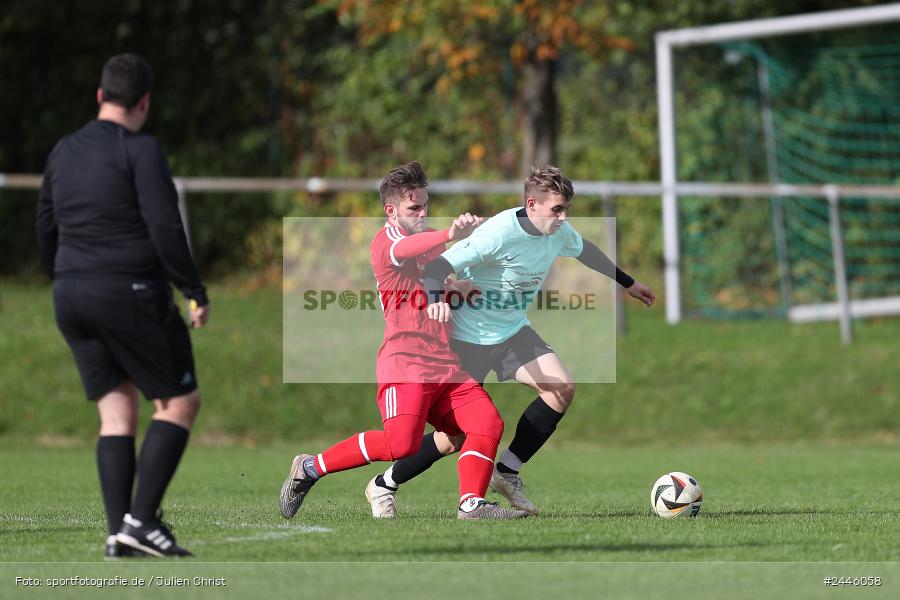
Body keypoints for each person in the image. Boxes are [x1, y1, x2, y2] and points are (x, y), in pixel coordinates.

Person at [365, 166, 655, 517]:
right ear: (532, 204)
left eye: (566, 209)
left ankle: (507, 470)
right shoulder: (497, 233)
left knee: (561, 388)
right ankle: (385, 484)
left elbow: (584, 250)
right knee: (454, 438)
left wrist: (628, 283)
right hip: (466, 339)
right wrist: (439, 299)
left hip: (512, 332)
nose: (564, 217)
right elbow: (440, 266)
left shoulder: (557, 230)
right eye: (557, 210)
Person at [279, 161, 527, 520]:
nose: (423, 213)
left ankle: (471, 504)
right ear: (390, 211)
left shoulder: (429, 249)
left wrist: (458, 290)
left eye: (426, 205)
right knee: (401, 443)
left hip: (444, 362)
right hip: (405, 361)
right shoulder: (387, 241)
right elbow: (406, 253)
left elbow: (426, 289)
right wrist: (450, 235)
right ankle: (310, 467)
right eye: (415, 208)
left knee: (487, 423)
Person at [35, 54, 209, 558]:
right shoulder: (142, 149)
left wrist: (66, 276)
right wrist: (193, 289)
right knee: (179, 403)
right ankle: (140, 521)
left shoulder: (64, 150)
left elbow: (44, 225)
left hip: (70, 293)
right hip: (127, 290)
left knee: (116, 414)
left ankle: (120, 534)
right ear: (145, 102)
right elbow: (163, 225)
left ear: (99, 96)